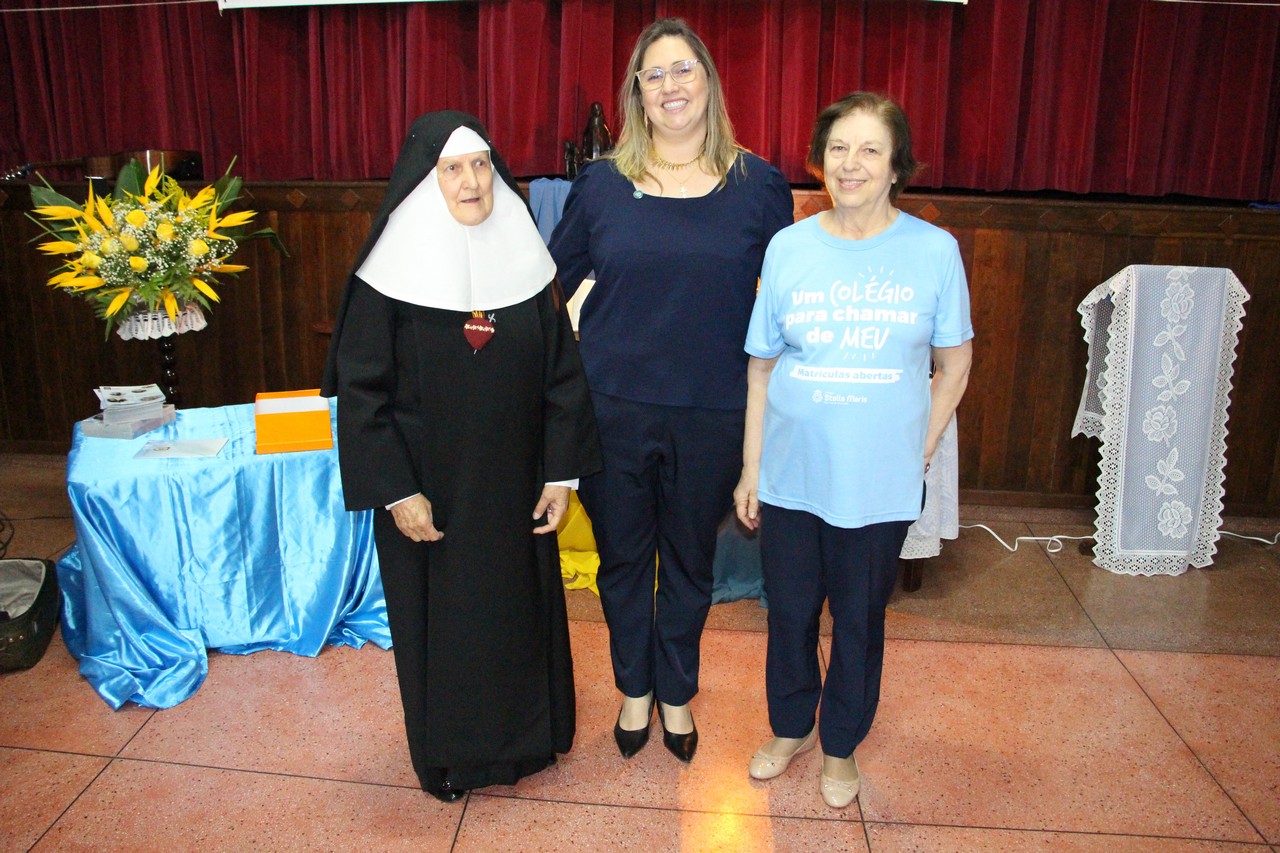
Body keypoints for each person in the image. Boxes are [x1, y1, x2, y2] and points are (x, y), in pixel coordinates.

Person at [320, 111, 601, 802]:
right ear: (427, 179)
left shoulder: (527, 263)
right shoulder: (387, 276)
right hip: (430, 497)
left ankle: (529, 740)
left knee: (518, 617)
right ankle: (449, 758)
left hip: (516, 490)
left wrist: (560, 474)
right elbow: (361, 392)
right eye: (452, 169)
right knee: (444, 627)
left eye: (480, 165)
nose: (472, 182)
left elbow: (562, 376)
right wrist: (396, 490)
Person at [549, 18, 794, 763]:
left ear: (709, 82)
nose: (670, 86)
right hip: (612, 410)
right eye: (653, 75)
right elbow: (547, 287)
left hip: (713, 412)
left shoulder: (760, 187)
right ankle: (634, 688)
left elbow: (788, 306)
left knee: (689, 563)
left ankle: (677, 692)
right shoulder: (601, 185)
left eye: (683, 69)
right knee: (623, 560)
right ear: (637, 93)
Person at [734, 92, 973, 808]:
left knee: (860, 622)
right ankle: (791, 727)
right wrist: (751, 468)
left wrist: (918, 448)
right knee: (789, 613)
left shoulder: (934, 251)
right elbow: (760, 368)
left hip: (878, 484)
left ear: (897, 165)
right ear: (820, 159)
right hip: (792, 476)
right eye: (838, 148)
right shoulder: (790, 247)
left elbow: (954, 366)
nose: (851, 163)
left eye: (870, 149)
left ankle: (840, 744)